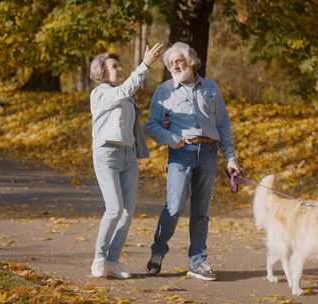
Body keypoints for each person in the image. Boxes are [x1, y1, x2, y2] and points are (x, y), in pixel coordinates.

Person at [145, 42, 241, 281]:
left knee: (201, 211)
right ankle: (158, 250)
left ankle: (198, 262)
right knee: (174, 206)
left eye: (179, 60)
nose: (175, 65)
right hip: (181, 152)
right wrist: (171, 138)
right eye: (171, 63)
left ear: (191, 60)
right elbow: (151, 125)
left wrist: (230, 157)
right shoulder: (164, 91)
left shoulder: (210, 87)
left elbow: (223, 125)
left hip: (208, 153)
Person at [89, 43, 164, 279]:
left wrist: (156, 129)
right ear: (101, 71)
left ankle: (112, 261)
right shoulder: (101, 93)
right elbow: (124, 91)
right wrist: (145, 65)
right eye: (114, 66)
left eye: (120, 65)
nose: (119, 69)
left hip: (128, 155)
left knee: (127, 211)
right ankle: (99, 259)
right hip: (107, 155)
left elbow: (126, 128)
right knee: (114, 208)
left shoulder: (124, 96)